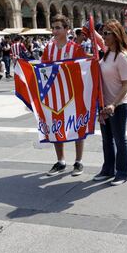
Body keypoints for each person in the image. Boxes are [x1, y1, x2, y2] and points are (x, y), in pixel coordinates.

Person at [39, 14, 87, 177]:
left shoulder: (75, 48)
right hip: (54, 94)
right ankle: (60, 161)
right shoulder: (49, 48)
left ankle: (78, 161)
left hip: (73, 93)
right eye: (53, 27)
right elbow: (43, 69)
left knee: (76, 126)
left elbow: (83, 70)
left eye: (58, 27)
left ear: (67, 29)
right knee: (55, 127)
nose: (54, 30)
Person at [93, 19, 127, 186]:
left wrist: (113, 105)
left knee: (119, 138)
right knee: (106, 139)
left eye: (107, 33)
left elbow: (126, 84)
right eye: (103, 33)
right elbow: (98, 41)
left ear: (115, 35)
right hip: (105, 103)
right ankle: (108, 169)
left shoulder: (122, 57)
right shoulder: (107, 53)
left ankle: (122, 172)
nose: (104, 36)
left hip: (118, 104)